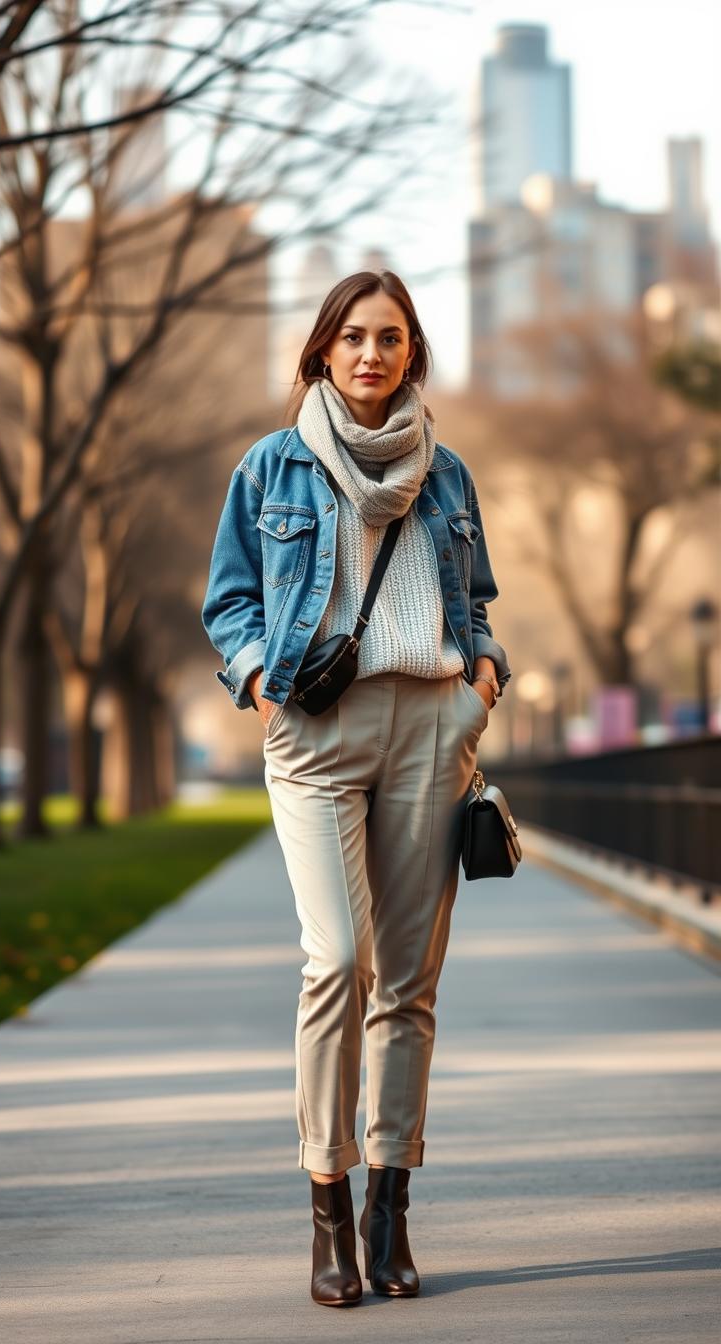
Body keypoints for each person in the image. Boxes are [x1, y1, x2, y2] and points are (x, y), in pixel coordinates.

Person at [201, 269, 511, 1306]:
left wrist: (483, 681)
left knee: (408, 984)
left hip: (432, 726)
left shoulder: (448, 472)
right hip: (318, 734)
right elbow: (229, 602)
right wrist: (259, 685)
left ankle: (390, 1207)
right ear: (323, 350)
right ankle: (326, 1207)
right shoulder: (272, 466)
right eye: (353, 337)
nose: (372, 353)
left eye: (390, 338)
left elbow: (475, 604)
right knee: (337, 957)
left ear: (411, 354)